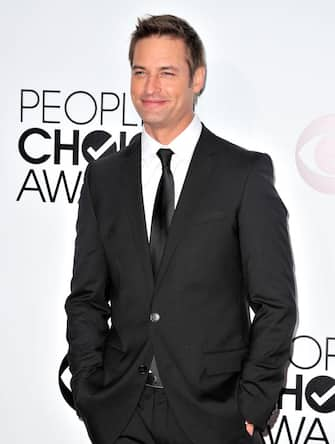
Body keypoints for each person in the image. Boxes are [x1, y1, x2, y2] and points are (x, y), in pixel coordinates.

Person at [64, 14, 296, 444]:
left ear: (198, 78)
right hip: (121, 413)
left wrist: (252, 405)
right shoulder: (103, 178)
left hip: (213, 415)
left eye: (167, 72)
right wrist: (88, 390)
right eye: (140, 72)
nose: (150, 87)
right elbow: (86, 299)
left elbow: (275, 303)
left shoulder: (243, 174)